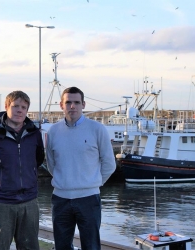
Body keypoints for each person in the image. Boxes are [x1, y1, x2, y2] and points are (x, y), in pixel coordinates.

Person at [0, 90, 45, 250]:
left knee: (30, 247)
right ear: (6, 107)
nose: (20, 110)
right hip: (0, 202)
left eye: (24, 107)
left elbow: (37, 160)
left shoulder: (34, 134)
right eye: (15, 106)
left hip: (29, 201)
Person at [45, 86, 116, 250]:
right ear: (61, 105)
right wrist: (65, 181)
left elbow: (109, 164)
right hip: (61, 199)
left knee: (91, 246)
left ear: (83, 104)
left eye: (76, 102)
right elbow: (51, 164)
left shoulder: (97, 129)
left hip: (89, 199)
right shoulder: (53, 132)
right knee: (61, 246)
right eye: (68, 102)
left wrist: (92, 183)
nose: (72, 106)